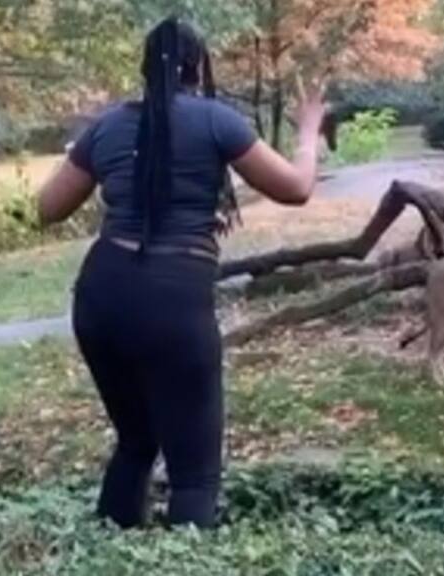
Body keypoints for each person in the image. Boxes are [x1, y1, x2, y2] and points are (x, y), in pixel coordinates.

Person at [37, 16, 326, 529]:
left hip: (101, 296)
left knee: (136, 441)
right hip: (173, 299)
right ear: (198, 68)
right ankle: (186, 554)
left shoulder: (107, 124)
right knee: (194, 472)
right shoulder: (216, 120)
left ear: (145, 69)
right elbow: (297, 188)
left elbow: (48, 208)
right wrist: (308, 133)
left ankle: (110, 546)